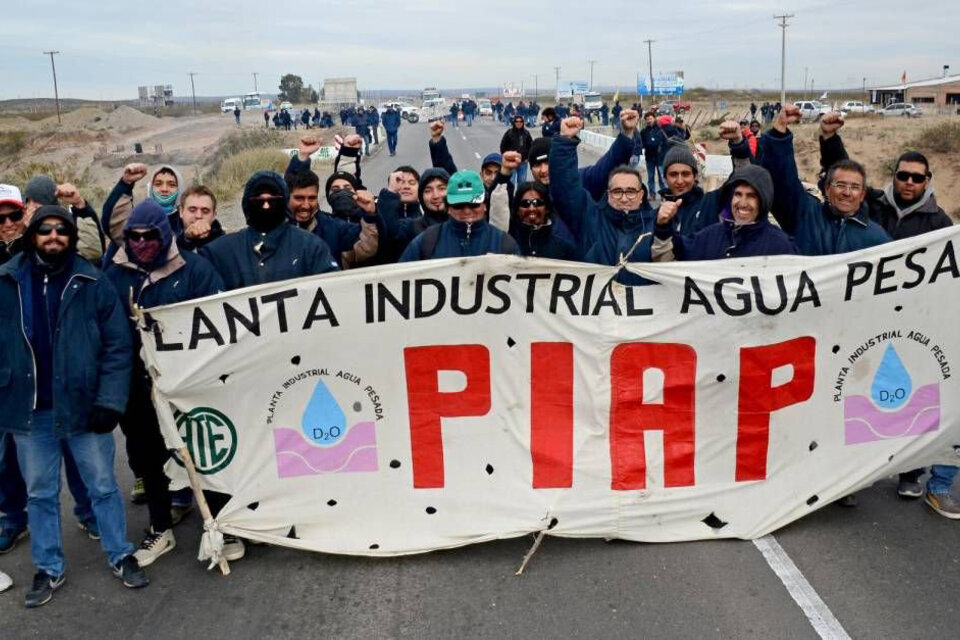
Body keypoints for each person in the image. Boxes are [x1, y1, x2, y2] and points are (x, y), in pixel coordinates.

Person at [0, 205, 148, 607]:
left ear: (69, 235)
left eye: (60, 230)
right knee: (41, 493)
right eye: (44, 229)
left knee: (102, 486)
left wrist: (109, 401)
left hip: (84, 408)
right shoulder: (7, 281)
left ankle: (121, 554)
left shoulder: (91, 281)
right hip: (30, 412)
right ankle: (48, 568)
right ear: (32, 235)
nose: (53, 236)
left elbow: (118, 347)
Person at [816, 112, 957, 510]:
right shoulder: (874, 205)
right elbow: (843, 172)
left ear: (928, 182)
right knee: (855, 393)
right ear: (893, 177)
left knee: (909, 394)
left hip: (911, 322)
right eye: (903, 176)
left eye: (917, 177)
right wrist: (829, 136)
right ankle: (856, 472)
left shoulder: (940, 223)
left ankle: (912, 472)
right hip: (862, 319)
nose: (909, 183)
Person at [104, 201, 223, 567]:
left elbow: (219, 322)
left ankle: (219, 523)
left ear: (164, 234)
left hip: (188, 385)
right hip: (138, 387)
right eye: (134, 237)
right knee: (147, 458)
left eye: (150, 236)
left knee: (206, 453)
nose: (142, 243)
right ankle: (160, 527)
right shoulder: (116, 275)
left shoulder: (195, 269)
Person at [760, 104, 890, 256]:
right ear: (827, 189)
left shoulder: (877, 238)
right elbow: (782, 181)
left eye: (855, 187)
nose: (847, 193)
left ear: (862, 194)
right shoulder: (805, 216)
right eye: (840, 185)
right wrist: (779, 134)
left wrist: (830, 138)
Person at [549, 116, 657, 285]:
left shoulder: (656, 226)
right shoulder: (591, 219)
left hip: (642, 309)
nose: (623, 198)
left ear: (641, 194)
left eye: (630, 191)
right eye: (617, 191)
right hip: (597, 308)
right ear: (607, 193)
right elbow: (566, 187)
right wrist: (565, 140)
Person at [200, 171, 339, 291]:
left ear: (284, 203)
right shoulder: (219, 252)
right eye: (259, 200)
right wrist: (189, 241)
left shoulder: (311, 247)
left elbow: (335, 291)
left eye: (273, 200)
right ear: (247, 204)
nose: (266, 206)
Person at [652, 165, 796, 261]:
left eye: (751, 196)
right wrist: (663, 227)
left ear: (764, 201)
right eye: (738, 194)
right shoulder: (709, 236)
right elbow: (670, 262)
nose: (743, 203)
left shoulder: (781, 245)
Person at [655, 121, 755, 236]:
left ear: (695, 176)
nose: (680, 181)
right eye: (673, 174)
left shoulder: (710, 203)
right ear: (665, 178)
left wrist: (738, 143)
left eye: (685, 174)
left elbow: (742, 178)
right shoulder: (656, 214)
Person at [399, 170, 518, 261]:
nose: (466, 211)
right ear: (448, 208)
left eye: (473, 204)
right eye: (459, 205)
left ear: (484, 205)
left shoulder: (504, 244)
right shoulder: (426, 242)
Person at [488, 172, 578, 260]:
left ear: (546, 208)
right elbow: (494, 202)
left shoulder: (564, 246)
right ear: (517, 210)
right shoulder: (507, 240)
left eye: (537, 203)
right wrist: (504, 172)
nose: (532, 208)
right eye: (525, 203)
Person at [176, 185, 226, 252]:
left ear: (214, 215)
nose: (199, 216)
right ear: (181, 212)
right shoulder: (168, 242)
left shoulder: (225, 244)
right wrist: (186, 240)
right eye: (192, 210)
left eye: (205, 211)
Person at [639, 113, 666, 196]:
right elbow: (641, 143)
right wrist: (648, 144)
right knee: (650, 177)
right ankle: (652, 194)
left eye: (650, 118)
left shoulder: (661, 130)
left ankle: (664, 195)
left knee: (662, 177)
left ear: (654, 119)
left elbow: (665, 142)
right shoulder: (643, 131)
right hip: (649, 158)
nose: (649, 121)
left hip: (660, 158)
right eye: (647, 119)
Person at [500, 116, 534, 184]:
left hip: (523, 162)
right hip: (511, 161)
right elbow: (503, 146)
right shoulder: (509, 133)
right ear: (514, 123)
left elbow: (531, 146)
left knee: (522, 182)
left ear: (523, 123)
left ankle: (519, 194)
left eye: (520, 121)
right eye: (517, 121)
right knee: (511, 181)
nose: (519, 123)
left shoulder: (526, 133)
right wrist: (506, 156)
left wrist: (528, 158)